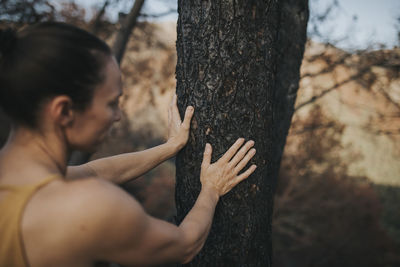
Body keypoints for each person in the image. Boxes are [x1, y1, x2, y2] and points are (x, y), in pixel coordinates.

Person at [0, 22, 257, 266]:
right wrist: (211, 189)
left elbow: (94, 172)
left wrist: (170, 147)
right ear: (64, 111)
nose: (118, 116)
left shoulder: (21, 183)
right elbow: (185, 245)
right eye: (111, 103)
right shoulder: (89, 207)